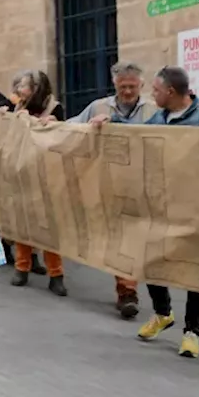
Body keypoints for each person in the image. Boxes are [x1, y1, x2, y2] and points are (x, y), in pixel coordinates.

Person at [121, 66, 199, 358]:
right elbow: (137, 134)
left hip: (194, 207)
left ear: (170, 92)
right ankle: (163, 313)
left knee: (195, 268)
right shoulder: (161, 118)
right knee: (150, 256)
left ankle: (192, 333)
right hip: (162, 204)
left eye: (155, 90)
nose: (152, 95)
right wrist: (107, 123)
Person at [69, 62, 157, 318]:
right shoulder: (98, 107)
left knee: (137, 238)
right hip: (108, 183)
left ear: (141, 84)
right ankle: (126, 288)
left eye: (132, 86)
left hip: (143, 183)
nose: (128, 91)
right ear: (114, 85)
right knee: (118, 237)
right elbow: (71, 127)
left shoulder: (153, 109)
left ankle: (133, 290)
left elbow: (180, 130)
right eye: (123, 87)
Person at [6, 69, 67, 296]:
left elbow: (63, 137)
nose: (19, 90)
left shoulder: (55, 108)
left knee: (49, 225)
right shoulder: (19, 108)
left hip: (48, 174)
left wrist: (51, 124)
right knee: (23, 222)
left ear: (35, 89)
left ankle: (56, 274)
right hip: (24, 171)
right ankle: (22, 268)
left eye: (23, 86)